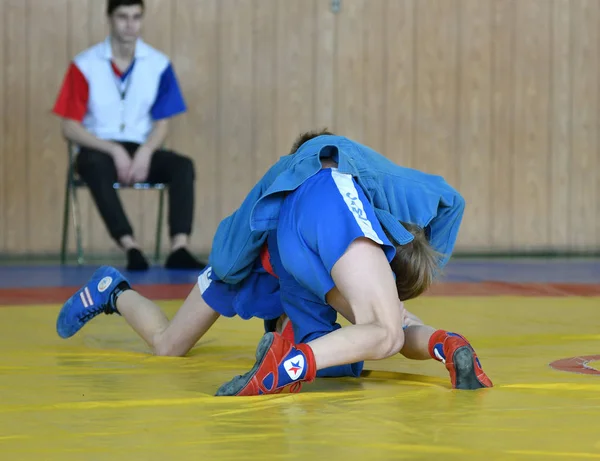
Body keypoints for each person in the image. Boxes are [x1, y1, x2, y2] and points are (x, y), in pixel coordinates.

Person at [56, 131, 493, 395]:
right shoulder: (337, 173)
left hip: (283, 262)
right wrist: (426, 263)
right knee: (383, 326)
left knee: (365, 338)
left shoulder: (291, 200)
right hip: (255, 263)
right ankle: (286, 363)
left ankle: (113, 290)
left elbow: (234, 245)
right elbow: (450, 202)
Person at [53, 0, 204, 271]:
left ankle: (179, 247)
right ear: (109, 19)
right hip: (98, 149)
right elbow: (69, 127)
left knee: (183, 166)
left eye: (136, 17)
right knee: (93, 164)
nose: (130, 24)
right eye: (123, 17)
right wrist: (113, 150)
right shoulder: (84, 65)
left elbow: (162, 124)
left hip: (140, 148)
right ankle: (130, 245)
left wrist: (146, 152)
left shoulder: (158, 65)